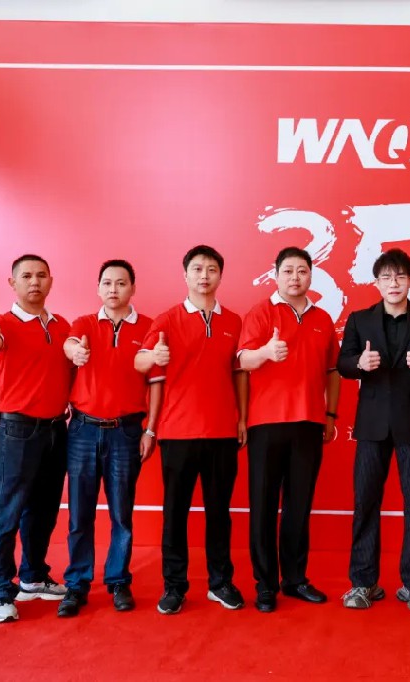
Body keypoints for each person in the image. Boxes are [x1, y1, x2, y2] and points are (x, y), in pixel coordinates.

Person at [338, 248, 410, 614]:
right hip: (371, 426)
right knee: (365, 502)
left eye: (400, 276)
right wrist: (359, 362)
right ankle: (363, 582)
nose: (393, 283)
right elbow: (342, 364)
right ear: (376, 282)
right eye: (386, 277)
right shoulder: (359, 320)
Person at [135, 245, 247, 615]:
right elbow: (140, 361)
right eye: (197, 269)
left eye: (211, 269)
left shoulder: (234, 321)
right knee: (175, 514)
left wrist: (242, 418)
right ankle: (174, 586)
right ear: (185, 275)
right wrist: (153, 356)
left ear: (220, 276)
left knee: (219, 513)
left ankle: (220, 582)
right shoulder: (166, 320)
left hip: (222, 432)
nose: (204, 275)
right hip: (178, 433)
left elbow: (239, 374)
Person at [237, 247, 341, 613]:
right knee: (264, 507)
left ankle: (295, 579)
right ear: (275, 274)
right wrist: (265, 352)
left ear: (311, 275)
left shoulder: (323, 319)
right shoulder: (260, 313)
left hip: (309, 423)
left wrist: (330, 414)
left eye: (301, 271)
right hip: (266, 424)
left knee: (299, 506)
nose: (295, 277)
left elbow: (332, 371)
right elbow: (243, 361)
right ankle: (265, 584)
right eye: (288, 271)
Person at [56, 260, 156, 617]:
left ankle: (118, 581)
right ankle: (77, 584)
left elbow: (156, 382)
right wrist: (76, 352)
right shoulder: (83, 323)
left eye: (121, 283)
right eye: (107, 283)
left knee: (121, 513)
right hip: (83, 430)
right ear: (98, 288)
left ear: (133, 288)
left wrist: (150, 429)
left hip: (126, 431)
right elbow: (70, 345)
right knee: (79, 514)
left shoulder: (148, 327)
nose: (114, 289)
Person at [0, 254, 73, 623]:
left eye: (41, 275)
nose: (35, 282)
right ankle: (0, 591)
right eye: (27, 276)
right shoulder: (0, 324)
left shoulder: (62, 326)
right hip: (15, 431)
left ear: (51, 281)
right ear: (12, 283)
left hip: (56, 429)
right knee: (6, 512)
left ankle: (33, 576)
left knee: (43, 511)